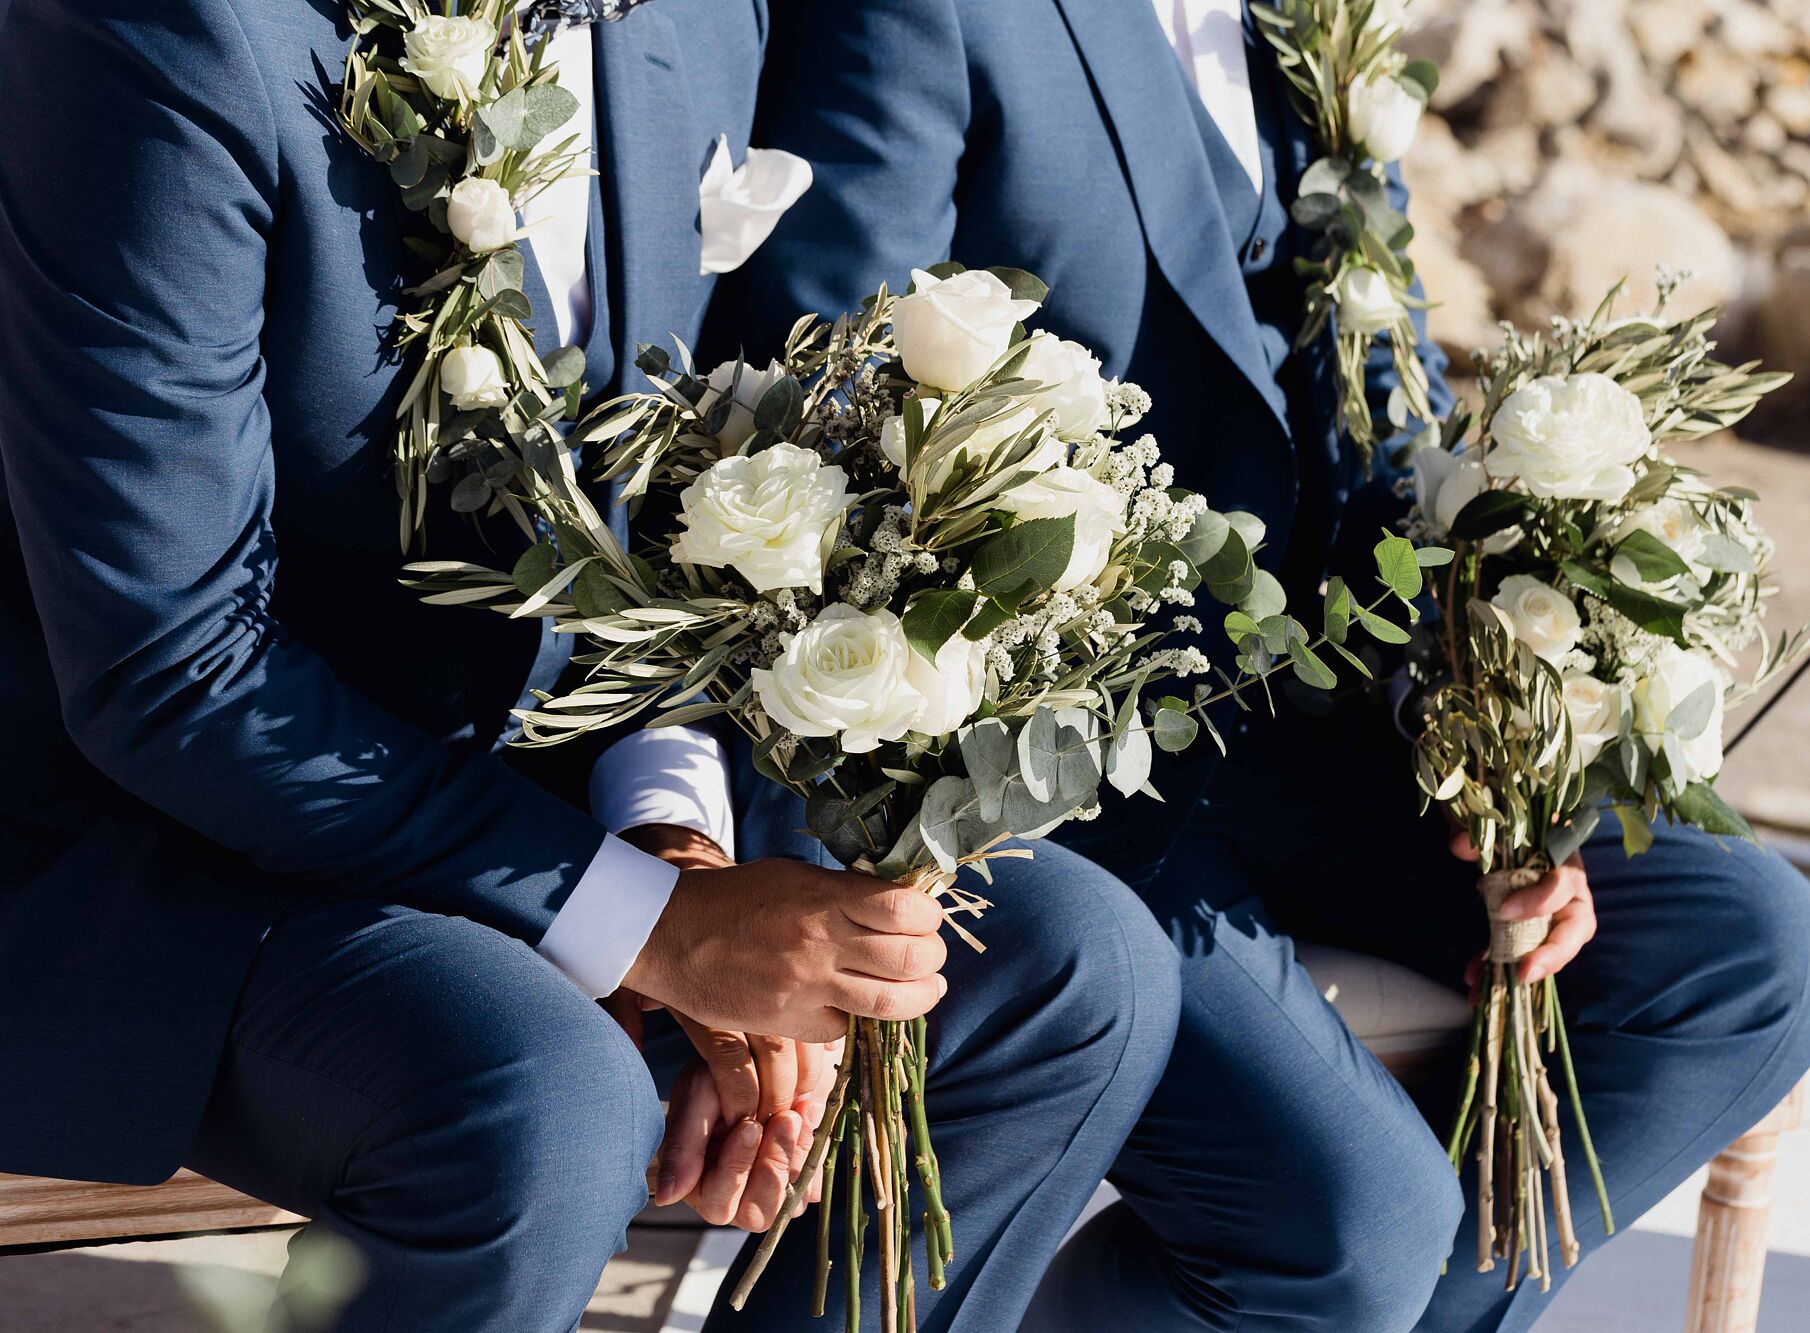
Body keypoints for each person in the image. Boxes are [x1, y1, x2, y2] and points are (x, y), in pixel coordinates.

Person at [0, 2, 1175, 1329]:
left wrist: (672, 830)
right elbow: (169, 660)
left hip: (521, 771)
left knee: (1064, 966)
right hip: (137, 828)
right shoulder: (166, 34)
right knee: (543, 1099)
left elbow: (657, 520)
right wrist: (650, 926)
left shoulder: (694, 14)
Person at [709, 1, 1810, 1329]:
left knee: (1752, 952)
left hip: (1326, 724)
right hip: (1056, 769)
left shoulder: (1308, 21)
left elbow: (1389, 394)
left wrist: (1491, 739)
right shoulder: (936, 15)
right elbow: (824, 397)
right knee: (1356, 1218)